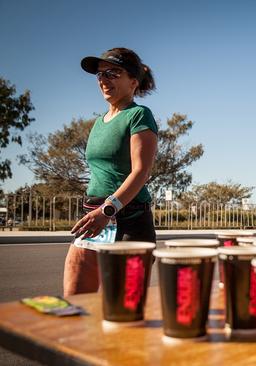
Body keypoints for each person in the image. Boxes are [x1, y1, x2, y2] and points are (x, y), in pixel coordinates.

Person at [64, 48, 158, 296]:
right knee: (76, 304)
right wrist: (99, 213)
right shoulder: (98, 122)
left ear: (133, 82)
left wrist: (108, 209)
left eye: (113, 73)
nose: (104, 79)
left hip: (129, 221)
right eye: (100, 74)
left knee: (124, 314)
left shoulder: (139, 115)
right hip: (94, 219)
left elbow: (141, 172)